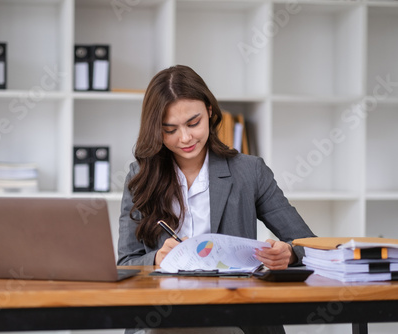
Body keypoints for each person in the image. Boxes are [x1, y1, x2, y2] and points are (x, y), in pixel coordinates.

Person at [117, 65, 316, 334]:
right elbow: (126, 262)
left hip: (236, 314)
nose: (185, 138)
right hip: (160, 315)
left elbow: (309, 245)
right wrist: (155, 260)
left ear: (209, 111)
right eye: (170, 129)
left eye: (193, 122)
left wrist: (288, 254)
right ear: (156, 129)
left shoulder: (249, 171)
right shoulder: (140, 176)